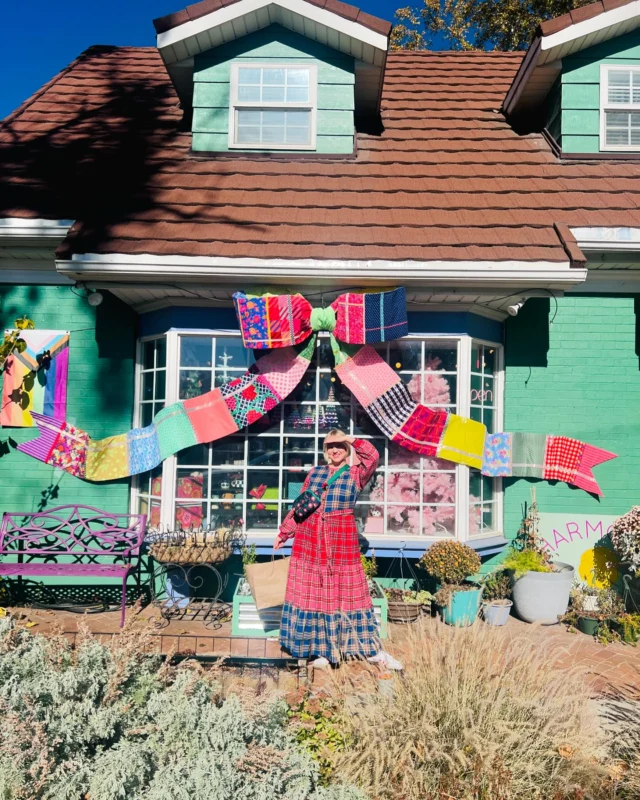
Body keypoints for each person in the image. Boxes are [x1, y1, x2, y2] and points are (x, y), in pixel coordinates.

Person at [274, 429, 402, 670]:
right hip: (310, 539)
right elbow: (302, 505)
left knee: (349, 593)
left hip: (340, 541)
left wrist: (351, 438)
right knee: (315, 595)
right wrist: (284, 532)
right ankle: (321, 651)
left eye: (340, 446)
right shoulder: (315, 473)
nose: (335, 450)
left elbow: (373, 456)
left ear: (347, 449)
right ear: (325, 450)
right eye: (330, 446)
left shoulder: (356, 474)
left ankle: (371, 651)